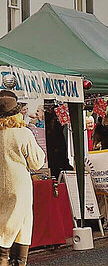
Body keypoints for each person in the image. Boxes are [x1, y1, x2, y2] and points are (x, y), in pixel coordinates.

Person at [0, 92, 45, 266]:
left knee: (6, 225)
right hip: (20, 187)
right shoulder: (23, 133)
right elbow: (37, 163)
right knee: (20, 226)